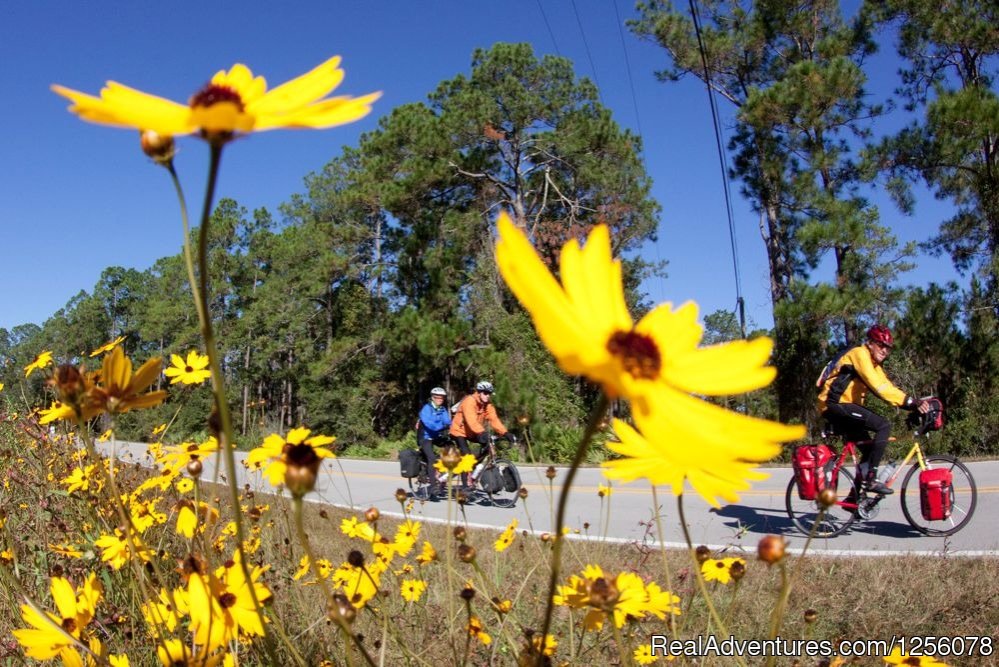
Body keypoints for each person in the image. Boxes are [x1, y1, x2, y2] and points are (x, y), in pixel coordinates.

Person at [817, 325, 930, 495]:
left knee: (869, 450)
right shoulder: (859, 354)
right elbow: (878, 387)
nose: (885, 350)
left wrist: (910, 404)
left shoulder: (875, 365)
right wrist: (911, 402)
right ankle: (871, 479)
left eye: (888, 348)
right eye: (881, 345)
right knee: (883, 426)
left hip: (845, 406)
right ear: (870, 343)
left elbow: (888, 388)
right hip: (833, 404)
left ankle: (853, 501)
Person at [449, 381, 513, 485]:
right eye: (485, 393)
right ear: (479, 392)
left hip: (472, 432)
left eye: (489, 394)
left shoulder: (487, 405)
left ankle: (473, 467)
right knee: (467, 456)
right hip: (459, 431)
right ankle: (466, 486)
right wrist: (483, 433)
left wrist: (505, 433)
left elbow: (494, 420)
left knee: (488, 445)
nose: (488, 396)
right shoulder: (469, 401)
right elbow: (472, 422)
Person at [417, 387, 452, 493]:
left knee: (451, 446)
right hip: (425, 437)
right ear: (433, 398)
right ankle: (433, 486)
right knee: (431, 459)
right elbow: (430, 425)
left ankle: (442, 469)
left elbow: (448, 422)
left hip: (436, 436)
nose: (440, 400)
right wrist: (443, 426)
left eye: (442, 398)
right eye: (438, 398)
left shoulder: (442, 409)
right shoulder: (426, 409)